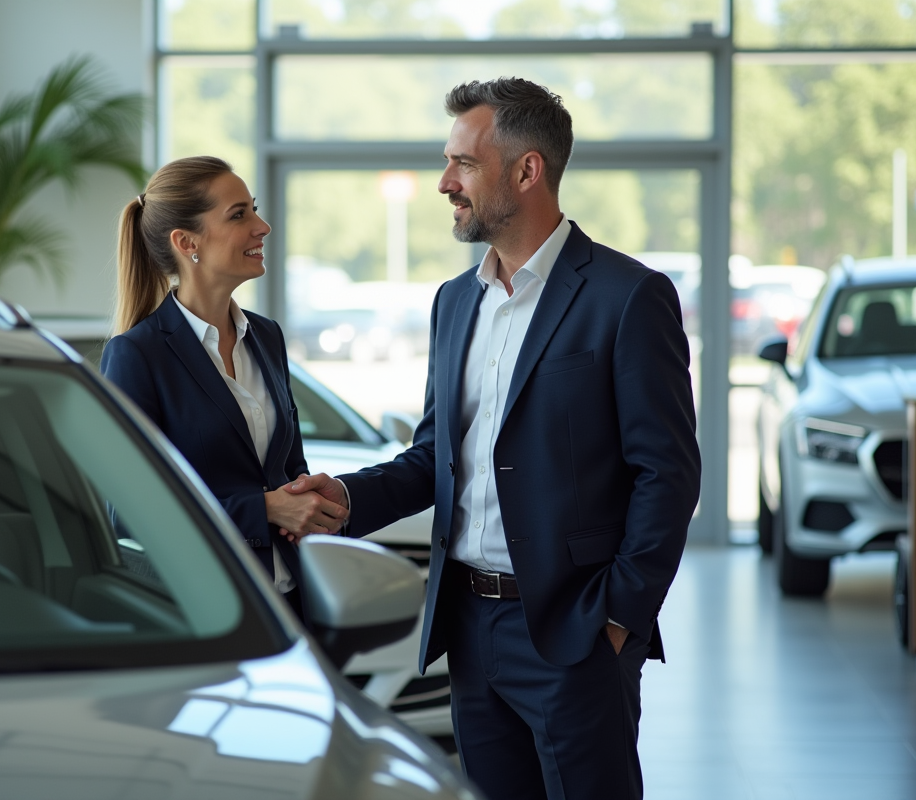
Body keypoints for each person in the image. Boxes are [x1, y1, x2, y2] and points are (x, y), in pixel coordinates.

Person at [283, 79, 701, 799]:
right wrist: (346, 497)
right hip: (469, 631)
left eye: (463, 164)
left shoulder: (627, 297)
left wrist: (617, 620)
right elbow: (435, 460)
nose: (446, 182)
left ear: (527, 170)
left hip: (574, 635)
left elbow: (667, 474)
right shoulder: (454, 302)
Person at [100, 156, 348, 618]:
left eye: (253, 209)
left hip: (290, 608)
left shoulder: (266, 336)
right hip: (202, 615)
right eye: (239, 215)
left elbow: (287, 468)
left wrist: (306, 502)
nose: (263, 226)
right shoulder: (136, 355)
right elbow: (130, 512)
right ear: (186, 242)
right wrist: (265, 509)